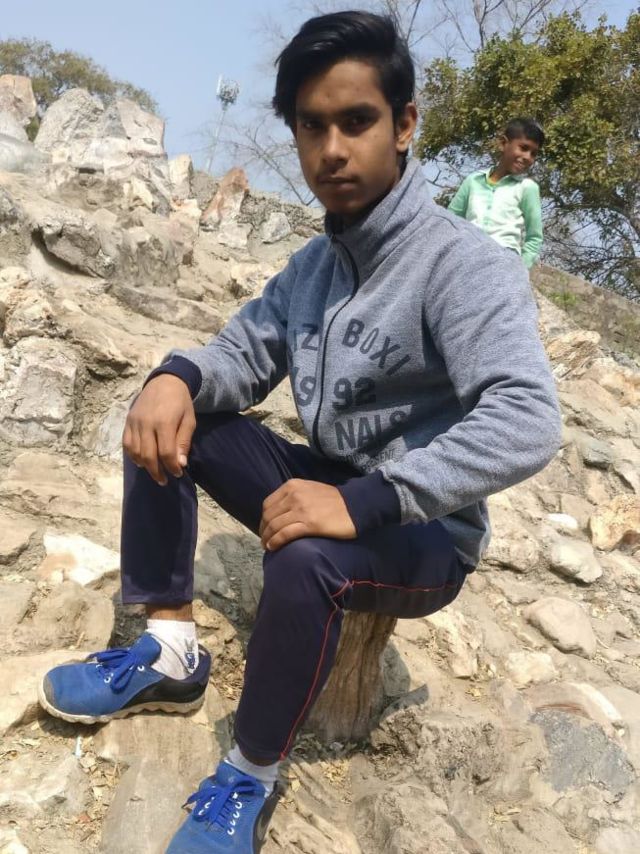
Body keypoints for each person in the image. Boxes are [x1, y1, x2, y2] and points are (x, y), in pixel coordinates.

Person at [38, 12, 561, 854]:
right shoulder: (317, 264)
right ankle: (170, 650)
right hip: (334, 479)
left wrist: (369, 501)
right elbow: (245, 352)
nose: (333, 150)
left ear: (405, 124)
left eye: (357, 121)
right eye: (312, 127)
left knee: (309, 556)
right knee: (171, 410)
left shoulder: (464, 264)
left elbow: (529, 417)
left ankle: (249, 772)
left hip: (423, 529)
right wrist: (178, 375)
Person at [448, 117, 545, 270]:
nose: (528, 157)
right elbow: (451, 220)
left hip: (503, 265)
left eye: (533, 153)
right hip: (465, 259)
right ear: (503, 143)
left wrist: (520, 270)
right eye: (523, 148)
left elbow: (534, 237)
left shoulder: (527, 188)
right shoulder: (474, 181)